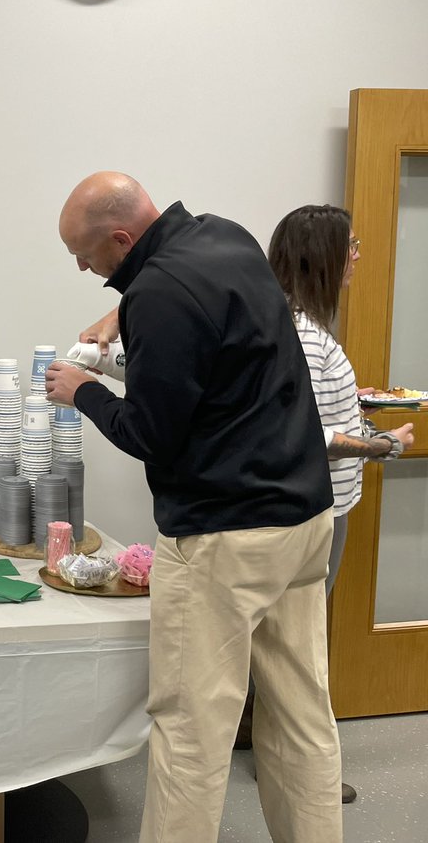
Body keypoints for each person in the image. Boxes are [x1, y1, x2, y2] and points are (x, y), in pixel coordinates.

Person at [45, 172, 341, 843]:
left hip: (224, 538)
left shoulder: (158, 293)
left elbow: (149, 434)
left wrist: (83, 390)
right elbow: (202, 326)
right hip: (304, 519)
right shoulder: (226, 238)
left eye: (86, 256)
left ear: (122, 238)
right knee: (301, 714)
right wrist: (123, 311)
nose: (83, 268)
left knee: (190, 730)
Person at [260, 204, 415, 802]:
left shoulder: (295, 327)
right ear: (320, 255)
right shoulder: (303, 335)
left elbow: (305, 415)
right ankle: (304, 774)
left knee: (287, 642)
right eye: (349, 246)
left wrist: (357, 408)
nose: (357, 257)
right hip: (314, 512)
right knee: (298, 651)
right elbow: (305, 437)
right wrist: (384, 445)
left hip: (312, 509)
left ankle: (270, 745)